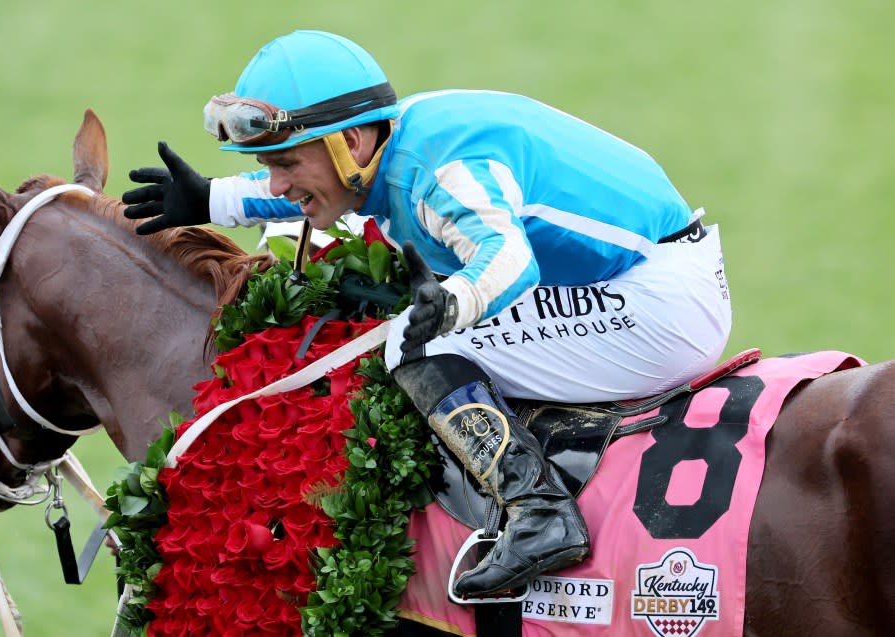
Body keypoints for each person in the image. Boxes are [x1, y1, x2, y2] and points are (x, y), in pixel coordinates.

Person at [122, 29, 732, 596]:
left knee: (414, 347)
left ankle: (539, 512)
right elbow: (327, 191)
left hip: (662, 301)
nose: (278, 185)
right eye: (268, 168)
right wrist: (211, 198)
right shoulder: (390, 142)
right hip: (633, 276)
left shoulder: (441, 170)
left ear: (350, 141)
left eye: (285, 164)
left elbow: (510, 261)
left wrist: (454, 303)